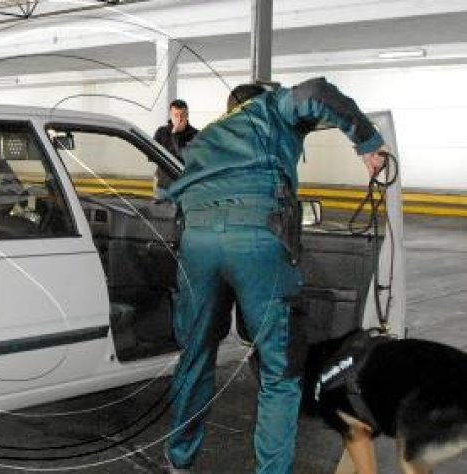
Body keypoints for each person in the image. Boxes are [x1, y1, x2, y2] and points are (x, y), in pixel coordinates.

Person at [163, 77, 386, 474]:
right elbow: (317, 93)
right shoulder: (268, 108)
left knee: (195, 356)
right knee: (280, 371)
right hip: (256, 238)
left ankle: (179, 461)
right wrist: (368, 143)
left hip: (195, 242)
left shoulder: (205, 137)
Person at [154, 99, 199, 191]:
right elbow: (152, 156)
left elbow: (186, 157)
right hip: (163, 186)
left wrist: (175, 135)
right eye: (176, 116)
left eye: (182, 115)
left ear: (187, 116)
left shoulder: (196, 135)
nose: (179, 119)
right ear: (171, 115)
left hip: (184, 187)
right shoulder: (161, 132)